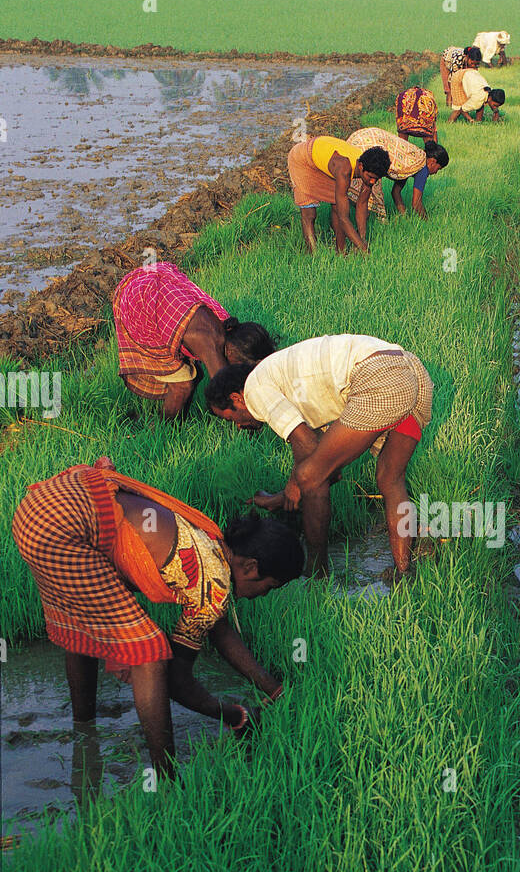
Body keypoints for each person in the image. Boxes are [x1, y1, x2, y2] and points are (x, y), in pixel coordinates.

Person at [12, 459, 304, 778]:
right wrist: (235, 714)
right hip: (62, 529)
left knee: (84, 622)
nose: (266, 595)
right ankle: (167, 779)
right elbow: (177, 681)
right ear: (250, 567)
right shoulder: (215, 583)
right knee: (150, 655)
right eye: (271, 586)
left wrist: (275, 690)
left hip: (41, 508)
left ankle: (85, 733)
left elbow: (219, 631)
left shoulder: (209, 543)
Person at [205, 335, 433, 581]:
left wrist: (295, 487)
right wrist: (285, 495)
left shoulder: (254, 389)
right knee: (390, 478)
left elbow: (309, 448)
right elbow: (320, 456)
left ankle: (316, 572)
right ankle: (403, 570)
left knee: (309, 476)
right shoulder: (279, 376)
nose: (238, 426)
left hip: (378, 377)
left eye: (231, 418)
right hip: (410, 371)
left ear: (237, 399)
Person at [113, 262, 276, 419]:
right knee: (182, 385)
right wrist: (254, 418)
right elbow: (226, 389)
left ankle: (176, 422)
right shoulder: (207, 340)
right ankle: (166, 429)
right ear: (233, 353)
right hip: (140, 300)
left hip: (151, 282)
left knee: (194, 374)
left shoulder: (226, 326)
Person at [286, 134, 390, 254]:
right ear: (361, 166)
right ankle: (312, 255)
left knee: (337, 205)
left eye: (376, 179)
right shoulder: (344, 169)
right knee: (309, 213)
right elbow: (343, 217)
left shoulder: (369, 167)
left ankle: (341, 252)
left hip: (325, 158)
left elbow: (361, 204)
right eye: (371, 177)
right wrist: (364, 249)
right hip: (302, 158)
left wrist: (361, 240)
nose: (372, 182)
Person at [345, 127, 449, 221]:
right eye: (438, 169)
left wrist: (404, 218)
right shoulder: (422, 168)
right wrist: (428, 222)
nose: (435, 173)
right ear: (433, 162)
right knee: (365, 203)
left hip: (364, 136)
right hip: (371, 143)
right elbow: (416, 203)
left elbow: (396, 192)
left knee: (346, 190)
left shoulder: (410, 164)